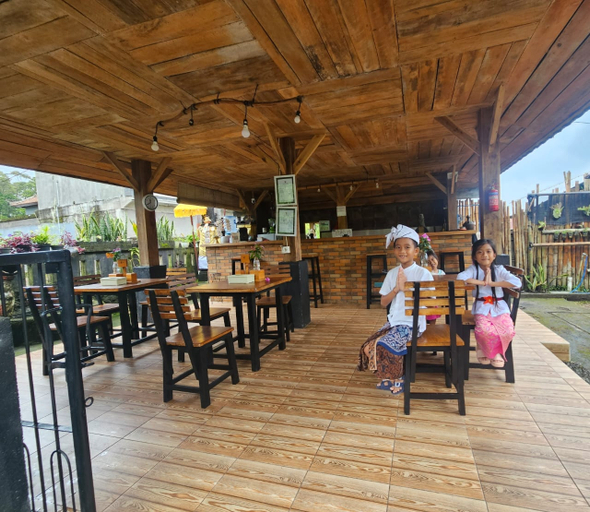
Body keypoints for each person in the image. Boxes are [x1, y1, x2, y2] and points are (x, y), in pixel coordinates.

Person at [357, 225, 434, 395]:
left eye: (407, 247)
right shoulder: (392, 274)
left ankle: (399, 377)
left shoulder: (422, 274)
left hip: (412, 324)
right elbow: (383, 302)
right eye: (398, 247)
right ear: (394, 251)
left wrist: (407, 288)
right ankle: (389, 376)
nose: (402, 251)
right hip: (394, 322)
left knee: (385, 344)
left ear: (416, 251)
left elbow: (430, 304)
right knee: (368, 348)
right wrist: (397, 288)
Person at [457, 239, 521, 368]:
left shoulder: (499, 270)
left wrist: (492, 283)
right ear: (475, 257)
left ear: (494, 255)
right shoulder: (473, 269)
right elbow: (460, 277)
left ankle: (495, 353)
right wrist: (482, 282)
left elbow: (517, 282)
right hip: (482, 307)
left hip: (500, 308)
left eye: (488, 251)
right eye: (480, 252)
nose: (484, 255)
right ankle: (485, 349)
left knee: (507, 330)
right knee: (483, 330)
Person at [425, 249, 445, 325]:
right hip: (428, 297)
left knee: (433, 316)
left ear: (437, 259)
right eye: (428, 262)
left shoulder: (441, 273)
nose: (432, 262)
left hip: (436, 297)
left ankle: (432, 327)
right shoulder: (427, 273)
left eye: (433, 259)